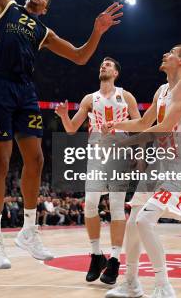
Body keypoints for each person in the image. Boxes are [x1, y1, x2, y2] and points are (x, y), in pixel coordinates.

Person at [0, 0, 124, 270]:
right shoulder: (6, 4)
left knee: (36, 160)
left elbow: (82, 56)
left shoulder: (45, 31)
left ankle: (28, 230)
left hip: (25, 90)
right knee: (2, 162)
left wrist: (97, 30)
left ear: (46, 9)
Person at [106, 44, 181, 298]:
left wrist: (124, 143)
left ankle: (163, 285)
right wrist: (115, 125)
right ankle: (132, 283)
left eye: (171, 52)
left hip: (180, 165)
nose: (165, 54)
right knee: (133, 223)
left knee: (144, 221)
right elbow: (145, 122)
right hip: (159, 165)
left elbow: (165, 127)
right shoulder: (162, 90)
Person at [55, 57, 140, 284]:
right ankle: (96, 255)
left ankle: (114, 259)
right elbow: (72, 128)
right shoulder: (89, 99)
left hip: (120, 154)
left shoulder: (126, 96)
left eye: (109, 64)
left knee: (116, 206)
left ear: (116, 73)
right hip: (96, 155)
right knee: (90, 204)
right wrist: (64, 115)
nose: (104, 66)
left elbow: (140, 126)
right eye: (102, 64)